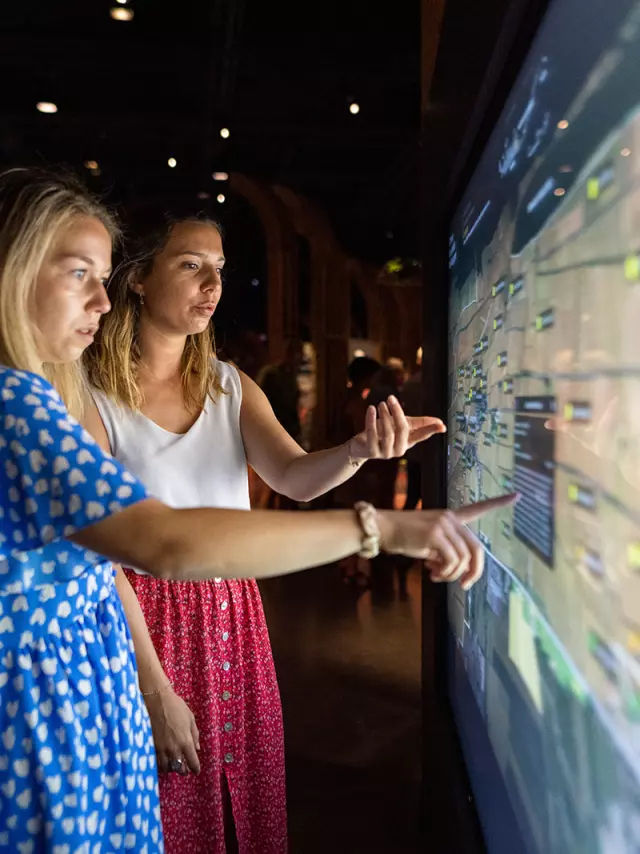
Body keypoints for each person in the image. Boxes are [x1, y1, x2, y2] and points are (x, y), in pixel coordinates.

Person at [0, 168, 516, 853]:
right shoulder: (73, 392)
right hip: (143, 619)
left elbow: (297, 477)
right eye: (191, 266)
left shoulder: (225, 383)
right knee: (163, 800)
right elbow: (144, 548)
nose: (212, 286)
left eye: (219, 268)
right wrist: (381, 527)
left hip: (229, 612)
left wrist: (360, 449)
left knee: (240, 794)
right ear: (141, 279)